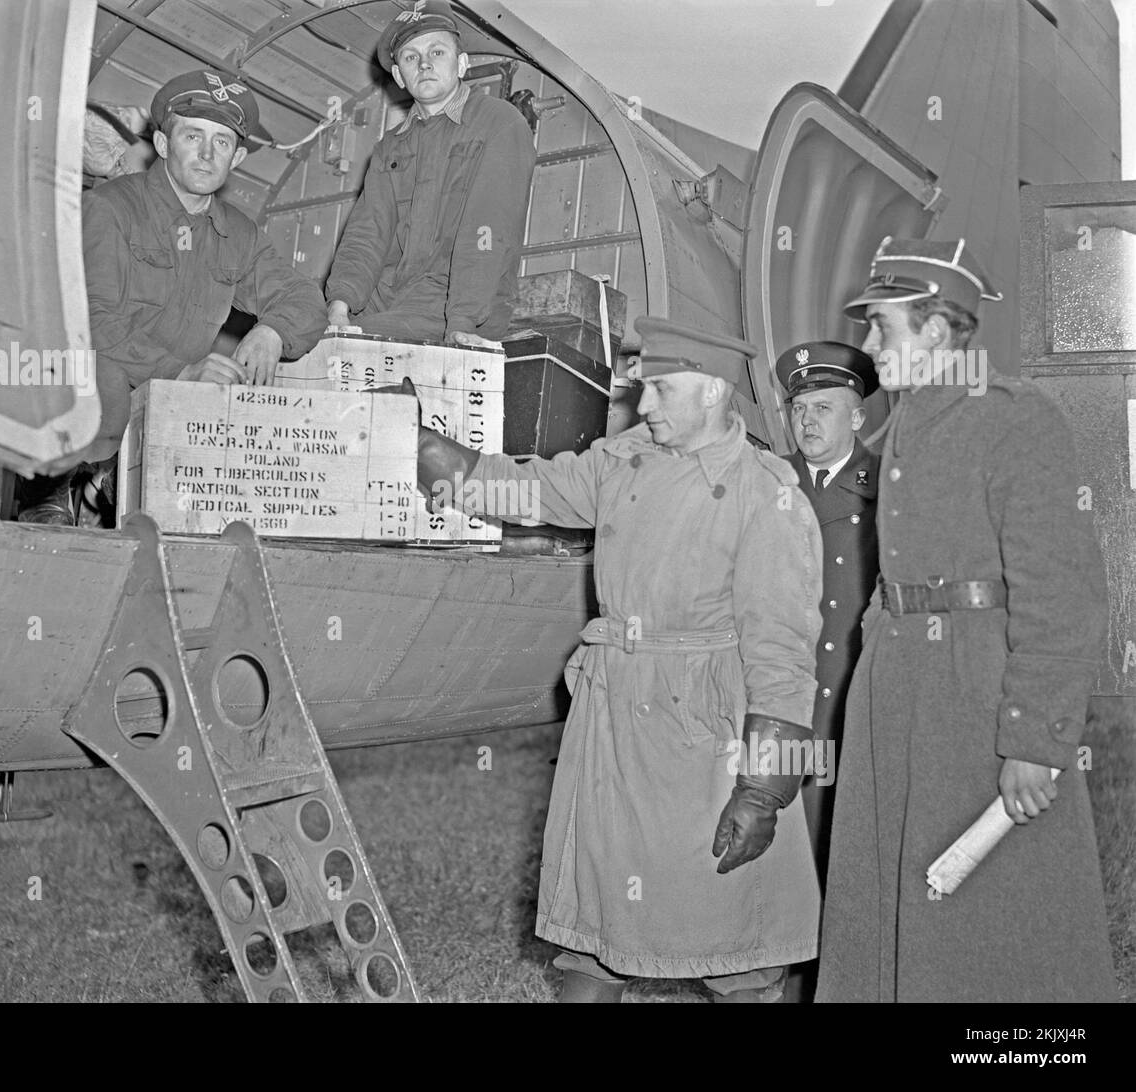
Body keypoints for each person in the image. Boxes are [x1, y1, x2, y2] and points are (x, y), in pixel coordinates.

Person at [414, 316, 824, 1002]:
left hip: (702, 735)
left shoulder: (766, 493)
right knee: (595, 934)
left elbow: (783, 660)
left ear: (718, 392)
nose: (644, 404)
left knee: (732, 947)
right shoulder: (624, 459)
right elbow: (530, 489)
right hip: (612, 726)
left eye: (662, 390)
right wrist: (425, 449)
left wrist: (763, 791)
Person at [817, 237, 1118, 1002]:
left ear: (940, 332)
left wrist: (1035, 737)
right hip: (900, 690)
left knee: (994, 928)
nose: (869, 344)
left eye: (883, 326)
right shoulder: (906, 429)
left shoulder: (1017, 421)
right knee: (889, 899)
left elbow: (1064, 592)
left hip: (979, 699)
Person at [19, 70, 326, 523]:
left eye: (221, 142)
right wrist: (179, 372)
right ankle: (54, 488)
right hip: (96, 391)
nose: (206, 154)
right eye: (192, 136)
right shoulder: (109, 206)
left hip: (166, 406)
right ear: (163, 145)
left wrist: (274, 330)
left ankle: (117, 480)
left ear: (237, 157)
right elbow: (89, 320)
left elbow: (302, 297)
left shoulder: (237, 233)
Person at [324, 0, 536, 346]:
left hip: (453, 306)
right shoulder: (389, 147)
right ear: (399, 77)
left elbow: (488, 229)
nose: (424, 64)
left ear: (462, 63)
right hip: (392, 302)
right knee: (303, 331)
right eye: (410, 57)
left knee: (360, 346)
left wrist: (462, 323)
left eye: (437, 52)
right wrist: (339, 304)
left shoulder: (498, 122)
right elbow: (367, 232)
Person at [772, 341, 879, 886]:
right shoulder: (765, 482)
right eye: (797, 408)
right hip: (772, 688)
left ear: (857, 417)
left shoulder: (886, 488)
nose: (806, 421)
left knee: (837, 838)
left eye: (823, 408)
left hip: (849, 690)